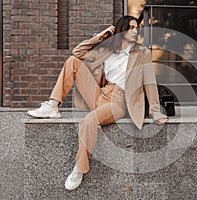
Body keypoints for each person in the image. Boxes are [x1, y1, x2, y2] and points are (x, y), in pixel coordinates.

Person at [27, 15, 168, 190]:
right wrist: (98, 38)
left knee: (88, 121)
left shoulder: (142, 53)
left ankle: (80, 167)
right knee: (72, 62)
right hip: (100, 93)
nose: (135, 30)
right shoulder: (107, 50)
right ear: (121, 30)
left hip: (118, 101)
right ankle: (53, 105)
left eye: (136, 27)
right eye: (130, 27)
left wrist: (155, 110)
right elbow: (77, 53)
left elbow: (149, 82)